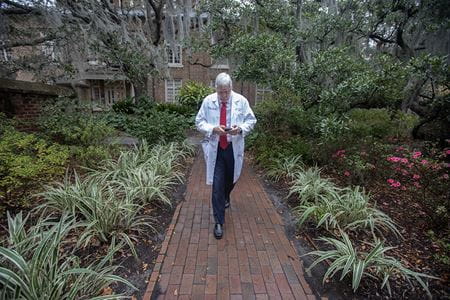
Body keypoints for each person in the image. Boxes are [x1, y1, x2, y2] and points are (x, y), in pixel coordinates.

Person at [195, 73, 257, 239]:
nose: (223, 96)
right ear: (216, 89)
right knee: (217, 184)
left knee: (231, 179)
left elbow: (251, 120)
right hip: (216, 148)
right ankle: (218, 222)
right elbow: (199, 121)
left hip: (232, 146)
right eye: (220, 92)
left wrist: (241, 128)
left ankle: (226, 195)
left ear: (231, 88)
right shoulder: (208, 101)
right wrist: (213, 128)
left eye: (226, 92)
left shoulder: (241, 101)